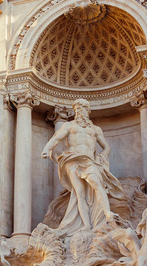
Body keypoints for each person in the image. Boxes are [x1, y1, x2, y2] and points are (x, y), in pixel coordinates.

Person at [41, 98, 124, 235]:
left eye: (82, 108)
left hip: (89, 160)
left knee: (97, 183)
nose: (80, 111)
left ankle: (107, 213)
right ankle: (86, 225)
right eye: (77, 109)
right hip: (72, 160)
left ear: (88, 111)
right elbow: (56, 138)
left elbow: (106, 147)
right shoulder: (69, 126)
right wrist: (46, 148)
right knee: (79, 192)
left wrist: (102, 156)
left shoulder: (95, 129)